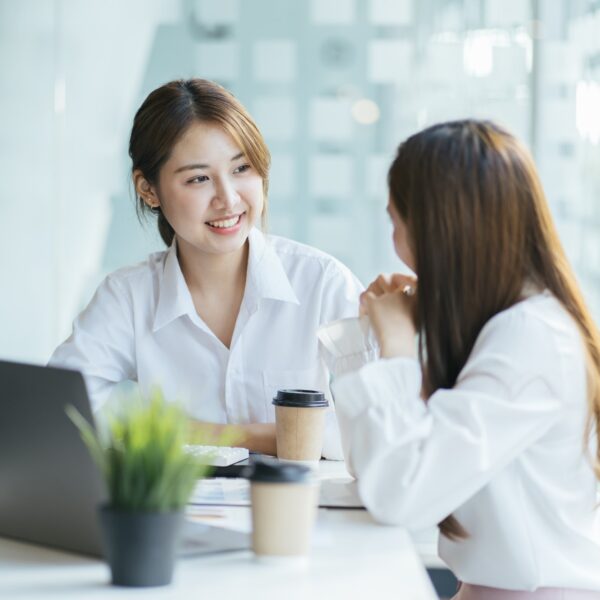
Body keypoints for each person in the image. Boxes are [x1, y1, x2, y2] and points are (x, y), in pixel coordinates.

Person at [328, 120, 600, 597]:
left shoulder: (530, 340)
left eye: (395, 222)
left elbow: (399, 495)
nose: (394, 243)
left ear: (438, 231)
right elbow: (371, 471)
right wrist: (371, 339)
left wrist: (394, 349)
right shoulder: (497, 326)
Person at [50, 78, 368, 459]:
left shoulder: (321, 281)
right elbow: (61, 416)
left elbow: (376, 426)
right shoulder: (129, 296)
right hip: (175, 516)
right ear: (148, 190)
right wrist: (287, 436)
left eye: (241, 168)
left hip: (298, 515)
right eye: (199, 178)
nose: (229, 199)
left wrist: (216, 434)